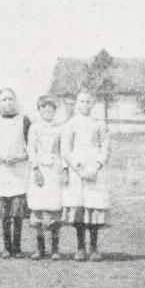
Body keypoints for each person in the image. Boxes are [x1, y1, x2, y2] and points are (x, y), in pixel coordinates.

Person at [61, 90, 111, 262]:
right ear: (76, 103)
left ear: (93, 103)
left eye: (88, 102)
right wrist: (78, 168)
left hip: (95, 170)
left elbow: (105, 149)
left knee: (93, 206)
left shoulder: (100, 124)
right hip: (78, 171)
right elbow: (65, 150)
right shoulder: (70, 124)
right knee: (80, 207)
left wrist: (96, 167)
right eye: (81, 101)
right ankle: (80, 247)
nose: (85, 105)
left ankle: (94, 248)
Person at [0, 88, 32, 259]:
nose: (8, 103)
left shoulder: (24, 120)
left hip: (19, 169)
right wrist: (1, 158)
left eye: (11, 99)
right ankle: (7, 246)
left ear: (15, 100)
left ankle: (17, 247)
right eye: (4, 100)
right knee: (5, 212)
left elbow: (31, 143)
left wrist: (21, 157)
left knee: (17, 209)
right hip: (2, 170)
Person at [26, 96, 64, 261]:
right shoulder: (35, 128)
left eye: (51, 110)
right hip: (39, 169)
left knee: (55, 207)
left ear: (55, 111)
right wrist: (36, 169)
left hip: (55, 170)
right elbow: (31, 150)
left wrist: (63, 170)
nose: (48, 112)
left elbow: (63, 151)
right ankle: (40, 248)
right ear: (39, 111)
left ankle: (55, 248)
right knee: (38, 207)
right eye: (44, 109)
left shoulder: (60, 128)